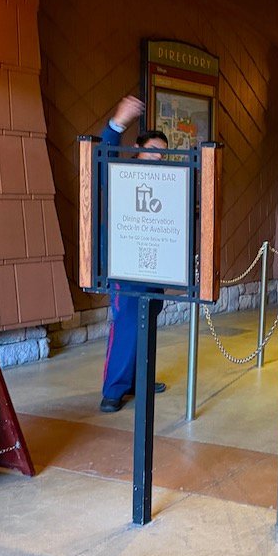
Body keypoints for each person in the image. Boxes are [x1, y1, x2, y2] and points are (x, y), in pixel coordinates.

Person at [99, 95, 169, 413]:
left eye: (163, 154)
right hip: (127, 265)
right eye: (152, 151)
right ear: (139, 151)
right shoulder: (123, 173)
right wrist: (119, 121)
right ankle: (114, 389)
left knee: (149, 321)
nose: (158, 157)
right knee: (126, 323)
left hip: (156, 265)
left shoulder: (168, 182)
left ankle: (138, 380)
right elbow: (103, 152)